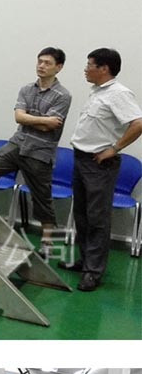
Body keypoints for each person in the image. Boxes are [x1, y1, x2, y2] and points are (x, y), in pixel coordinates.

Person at [0, 47, 72, 253]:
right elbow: (20, 118)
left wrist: (30, 119)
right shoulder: (26, 89)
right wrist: (42, 120)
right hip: (17, 144)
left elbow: (49, 126)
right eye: (40, 61)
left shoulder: (63, 95)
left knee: (42, 197)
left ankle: (47, 242)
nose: (41, 66)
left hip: (40, 151)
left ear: (58, 67)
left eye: (47, 63)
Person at [61, 48, 142, 291]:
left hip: (99, 164)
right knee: (82, 215)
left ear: (104, 68)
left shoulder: (118, 93)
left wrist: (114, 148)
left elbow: (138, 124)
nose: (86, 69)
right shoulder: (98, 92)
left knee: (97, 218)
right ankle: (85, 261)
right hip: (81, 159)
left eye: (90, 65)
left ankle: (93, 272)